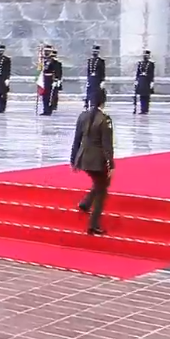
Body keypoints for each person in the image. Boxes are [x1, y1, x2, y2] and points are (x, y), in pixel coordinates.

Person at [70, 90, 115, 235]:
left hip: (83, 157)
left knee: (101, 183)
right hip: (97, 160)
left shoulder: (83, 116)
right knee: (102, 190)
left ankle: (86, 203)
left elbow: (76, 139)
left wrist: (73, 159)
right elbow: (107, 145)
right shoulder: (105, 119)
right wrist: (111, 164)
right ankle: (93, 224)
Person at [39, 46, 62, 116]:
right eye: (45, 51)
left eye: (48, 51)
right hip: (44, 79)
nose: (46, 53)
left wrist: (56, 80)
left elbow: (58, 71)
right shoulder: (43, 61)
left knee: (50, 95)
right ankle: (45, 109)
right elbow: (41, 70)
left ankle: (49, 109)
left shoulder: (54, 61)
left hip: (51, 79)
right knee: (44, 95)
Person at [84, 45, 106, 110]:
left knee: (97, 93)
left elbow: (103, 71)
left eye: (96, 52)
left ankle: (96, 104)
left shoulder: (101, 61)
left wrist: (103, 81)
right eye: (94, 51)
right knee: (89, 93)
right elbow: (88, 71)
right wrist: (88, 80)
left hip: (97, 80)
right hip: (91, 79)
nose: (94, 53)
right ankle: (88, 104)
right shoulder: (89, 61)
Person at [135, 50, 156, 114]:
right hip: (141, 80)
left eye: (147, 55)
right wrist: (136, 80)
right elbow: (138, 73)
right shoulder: (140, 63)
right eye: (144, 55)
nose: (145, 56)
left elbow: (152, 73)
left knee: (147, 96)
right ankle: (142, 109)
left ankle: (146, 109)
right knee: (142, 95)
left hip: (147, 80)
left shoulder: (151, 64)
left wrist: (152, 81)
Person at [49, 48, 64, 112]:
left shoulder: (58, 63)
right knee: (50, 93)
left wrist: (58, 80)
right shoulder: (49, 62)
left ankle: (54, 105)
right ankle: (51, 104)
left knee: (55, 93)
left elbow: (59, 72)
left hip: (55, 79)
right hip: (49, 79)